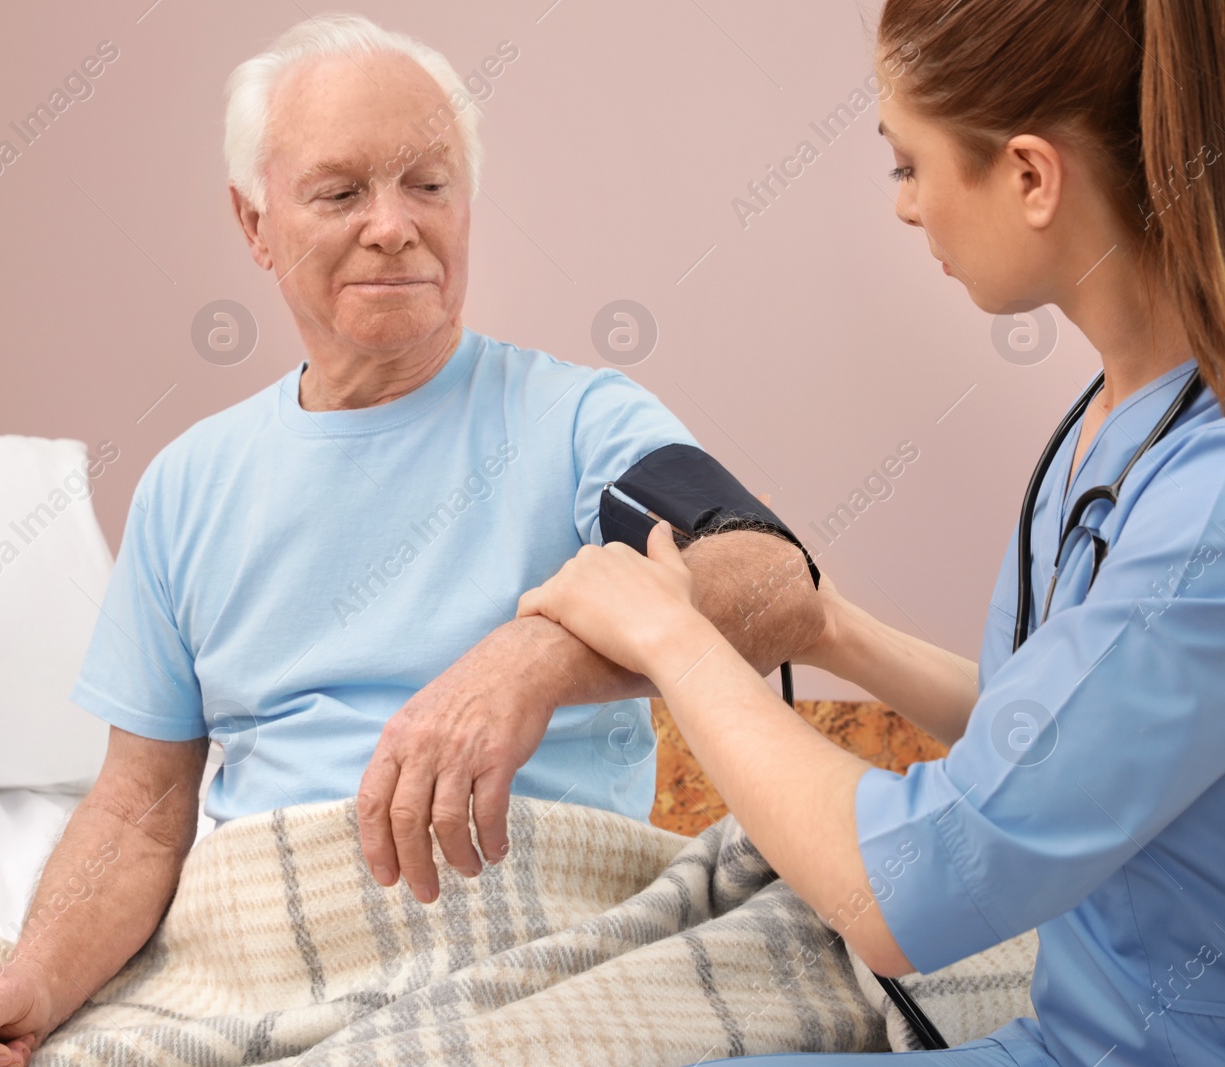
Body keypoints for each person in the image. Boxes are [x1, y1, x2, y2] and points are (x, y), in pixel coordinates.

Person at [0, 15, 822, 1067]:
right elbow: (139, 811)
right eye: (341, 193)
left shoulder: (583, 425)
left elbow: (771, 577)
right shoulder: (188, 487)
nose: (392, 226)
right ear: (254, 224)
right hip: (264, 952)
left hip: (536, 947)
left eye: (427, 184)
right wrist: (30, 976)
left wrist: (529, 658)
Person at [516, 0, 1225, 1063]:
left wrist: (676, 640)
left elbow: (910, 888)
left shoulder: (1200, 510)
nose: (903, 208)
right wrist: (832, 628)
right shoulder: (1115, 422)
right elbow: (1060, 744)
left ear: (1030, 176)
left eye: (907, 165)